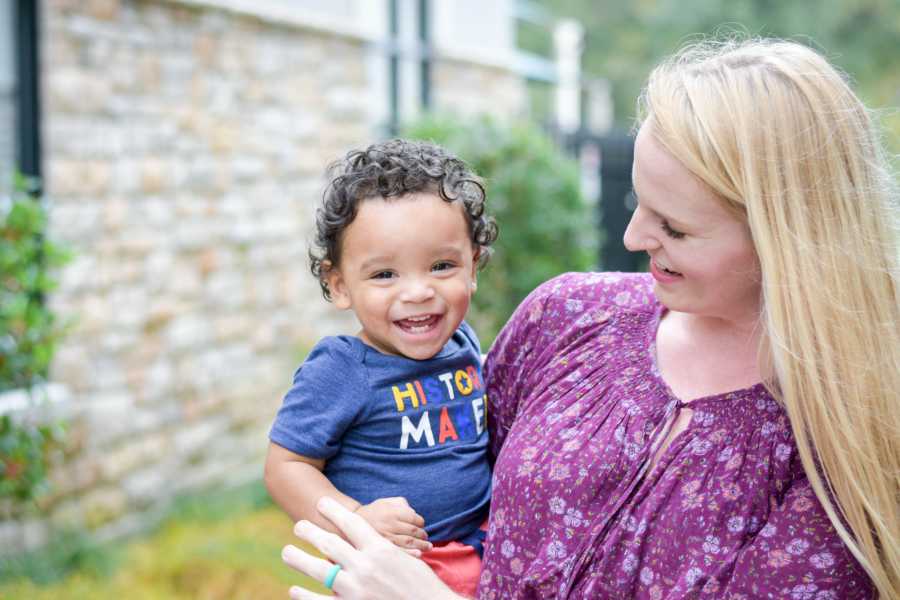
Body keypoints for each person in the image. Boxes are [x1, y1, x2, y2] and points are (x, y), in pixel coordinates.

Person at [281, 38, 900, 599]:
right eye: (639, 203)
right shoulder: (569, 316)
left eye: (675, 227)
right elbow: (444, 468)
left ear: (786, 236)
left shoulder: (848, 444)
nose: (632, 237)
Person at [265, 139, 498, 597]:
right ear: (338, 285)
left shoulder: (464, 344)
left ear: (473, 265)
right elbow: (285, 466)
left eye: (441, 265)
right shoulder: (343, 368)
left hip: (480, 553)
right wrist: (356, 519)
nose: (417, 292)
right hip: (393, 566)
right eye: (384, 274)